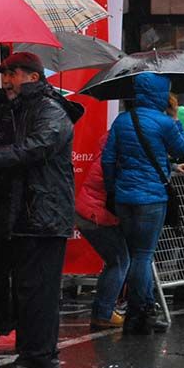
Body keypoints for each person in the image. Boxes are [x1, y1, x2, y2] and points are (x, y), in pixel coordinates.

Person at [0, 52, 84, 368]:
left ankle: (38, 359)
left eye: (12, 73)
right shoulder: (18, 109)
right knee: (28, 289)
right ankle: (38, 354)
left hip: (42, 215)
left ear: (32, 76)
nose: (6, 80)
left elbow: (38, 146)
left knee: (38, 291)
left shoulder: (49, 109)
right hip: (26, 215)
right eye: (4, 73)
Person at [102, 73, 184, 335]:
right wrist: (178, 123)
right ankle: (139, 315)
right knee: (143, 255)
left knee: (133, 254)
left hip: (125, 196)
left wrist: (113, 189)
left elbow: (108, 159)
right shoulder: (164, 122)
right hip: (152, 197)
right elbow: (182, 150)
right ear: (161, 94)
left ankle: (143, 308)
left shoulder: (122, 120)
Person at [76, 134, 128, 331]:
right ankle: (103, 313)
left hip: (88, 212)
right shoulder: (119, 156)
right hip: (95, 215)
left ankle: (103, 311)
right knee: (119, 261)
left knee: (116, 260)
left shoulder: (111, 148)